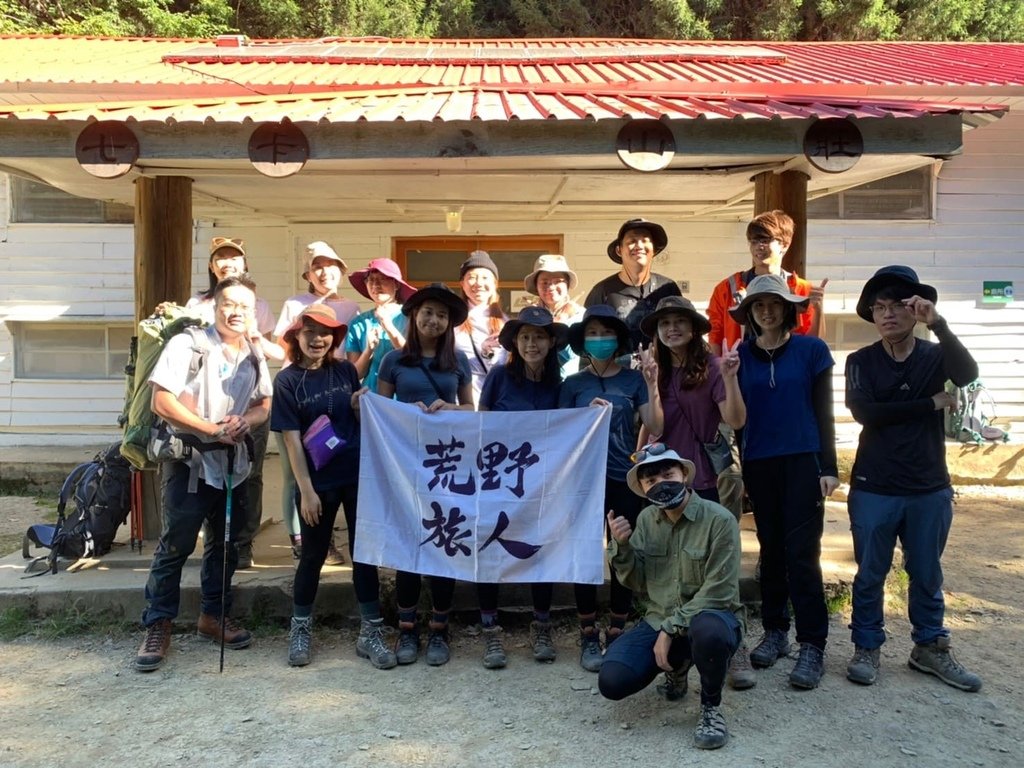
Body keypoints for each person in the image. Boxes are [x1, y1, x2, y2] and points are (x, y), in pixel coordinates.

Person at [844, 266, 981, 691]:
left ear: (915, 309)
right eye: (879, 307)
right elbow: (865, 413)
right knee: (870, 572)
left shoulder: (935, 354)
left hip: (928, 486)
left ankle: (930, 647)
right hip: (873, 484)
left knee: (926, 572)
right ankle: (867, 646)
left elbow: (967, 374)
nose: (887, 314)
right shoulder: (860, 361)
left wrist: (939, 324)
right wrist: (930, 403)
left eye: (898, 306)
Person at [135, 275, 271, 672]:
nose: (236, 312)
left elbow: (264, 403)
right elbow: (161, 400)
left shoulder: (253, 352)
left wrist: (245, 421)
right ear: (214, 306)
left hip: (234, 463)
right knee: (175, 545)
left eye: (245, 306)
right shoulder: (188, 344)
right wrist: (210, 429)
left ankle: (213, 616)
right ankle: (158, 624)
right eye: (228, 303)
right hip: (190, 461)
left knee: (225, 545)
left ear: (254, 311)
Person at [637, 295, 754, 691]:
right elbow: (654, 425)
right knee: (676, 566)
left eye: (679, 321)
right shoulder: (655, 370)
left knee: (719, 564)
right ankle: (680, 650)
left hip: (708, 478)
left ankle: (730, 639)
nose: (672, 329)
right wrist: (652, 387)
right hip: (669, 480)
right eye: (664, 323)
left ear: (694, 327)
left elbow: (736, 419)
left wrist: (733, 378)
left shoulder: (716, 368)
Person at [729, 273, 839, 690]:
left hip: (803, 461)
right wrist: (743, 466)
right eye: (759, 306)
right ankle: (775, 630)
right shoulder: (742, 353)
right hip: (760, 461)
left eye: (775, 303)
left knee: (802, 554)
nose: (767, 311)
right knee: (770, 551)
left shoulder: (812, 350)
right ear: (751, 314)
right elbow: (738, 420)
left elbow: (824, 411)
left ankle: (812, 643)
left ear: (789, 309)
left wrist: (829, 467)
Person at [271, 303, 393, 669]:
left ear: (334, 338)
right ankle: (300, 628)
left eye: (326, 333)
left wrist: (358, 405)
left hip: (356, 475)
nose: (318, 339)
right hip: (317, 483)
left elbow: (353, 417)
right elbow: (291, 441)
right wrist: (305, 491)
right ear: (296, 336)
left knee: (364, 553)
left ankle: (371, 631)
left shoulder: (344, 371)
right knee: (312, 555)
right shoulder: (287, 380)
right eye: (309, 332)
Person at [601, 445, 743, 750]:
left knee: (709, 632)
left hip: (712, 618)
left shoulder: (719, 520)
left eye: (669, 474)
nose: (661, 483)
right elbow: (638, 581)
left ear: (685, 475)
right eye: (651, 480)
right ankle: (678, 668)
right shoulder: (647, 520)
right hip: (659, 617)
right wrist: (621, 547)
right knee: (612, 680)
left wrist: (670, 628)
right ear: (642, 488)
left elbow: (720, 591)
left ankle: (710, 707)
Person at [558, 304, 662, 671]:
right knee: (585, 554)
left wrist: (651, 383)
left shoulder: (634, 380)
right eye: (592, 333)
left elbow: (656, 425)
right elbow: (559, 433)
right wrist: (584, 415)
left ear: (618, 339)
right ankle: (587, 632)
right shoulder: (572, 384)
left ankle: (618, 628)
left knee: (623, 550)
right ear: (582, 341)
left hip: (624, 478)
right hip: (583, 481)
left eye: (606, 333)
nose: (600, 340)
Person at [706, 210, 828, 519]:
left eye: (767, 240)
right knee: (730, 473)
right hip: (735, 385)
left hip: (778, 393)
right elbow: (715, 337)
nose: (759, 247)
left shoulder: (800, 289)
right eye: (754, 240)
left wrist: (817, 307)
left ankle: (773, 549)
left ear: (784, 244)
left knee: (773, 472)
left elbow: (811, 346)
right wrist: (724, 377)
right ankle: (728, 545)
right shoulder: (727, 287)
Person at [377, 283, 475, 666]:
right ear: (413, 316)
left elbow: (471, 410)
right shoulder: (392, 361)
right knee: (409, 548)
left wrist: (447, 409)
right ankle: (406, 629)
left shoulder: (459, 361)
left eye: (442, 315)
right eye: (427, 313)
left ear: (449, 323)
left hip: (448, 467)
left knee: (443, 543)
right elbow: (380, 413)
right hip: (405, 464)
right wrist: (401, 411)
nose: (434, 320)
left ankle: (439, 629)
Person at [475, 305, 570, 668]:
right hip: (498, 480)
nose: (532, 343)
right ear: (515, 342)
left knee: (538, 550)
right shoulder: (498, 376)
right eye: (525, 336)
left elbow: (565, 429)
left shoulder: (556, 384)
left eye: (539, 336)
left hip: (540, 483)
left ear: (550, 342)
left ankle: (542, 626)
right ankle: (490, 632)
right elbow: (480, 426)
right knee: (490, 550)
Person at [186, 236, 277, 570]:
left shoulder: (259, 305)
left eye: (234, 257)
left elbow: (267, 352)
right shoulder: (195, 304)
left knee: (249, 474)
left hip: (250, 400)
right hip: (204, 407)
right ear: (212, 266)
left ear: (245, 264)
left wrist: (253, 335)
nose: (227, 263)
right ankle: (214, 540)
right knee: (203, 473)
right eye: (220, 258)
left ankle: (242, 541)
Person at [273, 241, 360, 566]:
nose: (325, 271)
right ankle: (305, 541)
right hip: (299, 397)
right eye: (317, 266)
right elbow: (280, 345)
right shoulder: (294, 303)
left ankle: (330, 542)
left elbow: (350, 354)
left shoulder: (351, 307)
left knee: (336, 470)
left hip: (335, 394)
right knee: (295, 475)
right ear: (308, 273)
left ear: (341, 270)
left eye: (331, 265)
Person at [584, 217, 681, 355]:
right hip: (618, 373)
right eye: (632, 241)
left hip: (664, 372)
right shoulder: (602, 291)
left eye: (645, 240)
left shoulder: (668, 288)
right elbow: (589, 341)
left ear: (654, 250)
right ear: (619, 250)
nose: (639, 245)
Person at [345, 257, 416, 393]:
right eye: (370, 280)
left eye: (382, 279)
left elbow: (413, 360)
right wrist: (369, 350)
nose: (375, 285)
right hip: (371, 397)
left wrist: (388, 327)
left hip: (404, 397)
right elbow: (355, 375)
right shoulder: (359, 323)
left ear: (396, 284)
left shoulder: (411, 318)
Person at [454, 250, 508, 404]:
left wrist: (488, 353)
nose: (478, 283)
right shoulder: (453, 320)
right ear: (462, 284)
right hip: (461, 400)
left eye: (485, 277)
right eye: (471, 277)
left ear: (495, 284)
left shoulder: (505, 321)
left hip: (496, 399)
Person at [523, 253, 586, 378]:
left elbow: (575, 354)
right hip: (536, 385)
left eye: (558, 281)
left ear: (567, 285)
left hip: (571, 387)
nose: (551, 287)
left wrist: (561, 324)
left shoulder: (581, 315)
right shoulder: (528, 316)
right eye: (544, 282)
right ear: (536, 286)